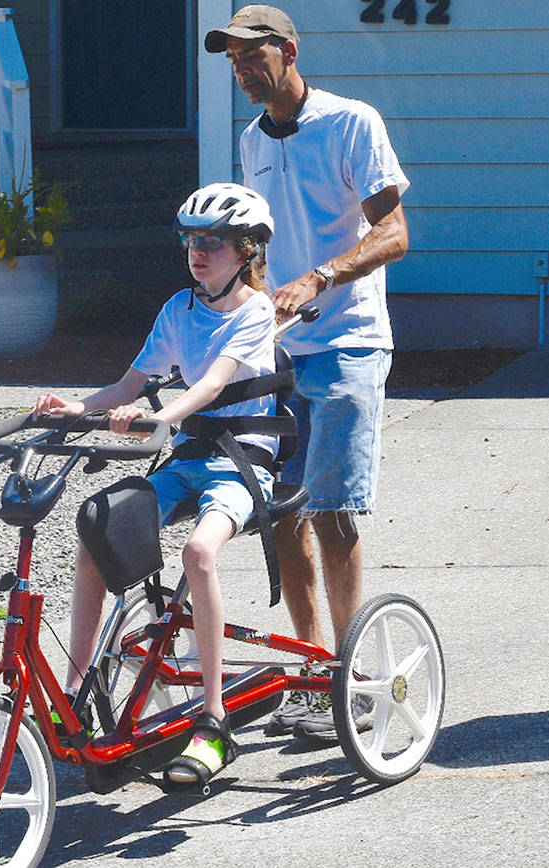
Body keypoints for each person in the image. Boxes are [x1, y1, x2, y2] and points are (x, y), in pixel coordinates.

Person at [205, 5, 410, 740]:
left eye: (250, 56)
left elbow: (394, 231)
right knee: (280, 510)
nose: (240, 68)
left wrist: (321, 278)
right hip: (280, 350)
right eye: (230, 59)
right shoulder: (252, 139)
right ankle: (312, 669)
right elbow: (259, 250)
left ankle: (355, 680)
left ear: (288, 51)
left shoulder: (352, 123)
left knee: (332, 508)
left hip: (351, 341)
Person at [33, 183, 278, 786]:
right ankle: (78, 689)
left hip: (243, 459)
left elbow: (213, 385)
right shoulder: (180, 309)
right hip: (188, 457)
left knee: (198, 552)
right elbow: (129, 383)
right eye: (192, 240)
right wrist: (77, 409)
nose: (199, 252)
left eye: (214, 243)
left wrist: (160, 419)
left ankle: (215, 721)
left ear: (246, 252)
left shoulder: (256, 312)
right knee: (95, 529)